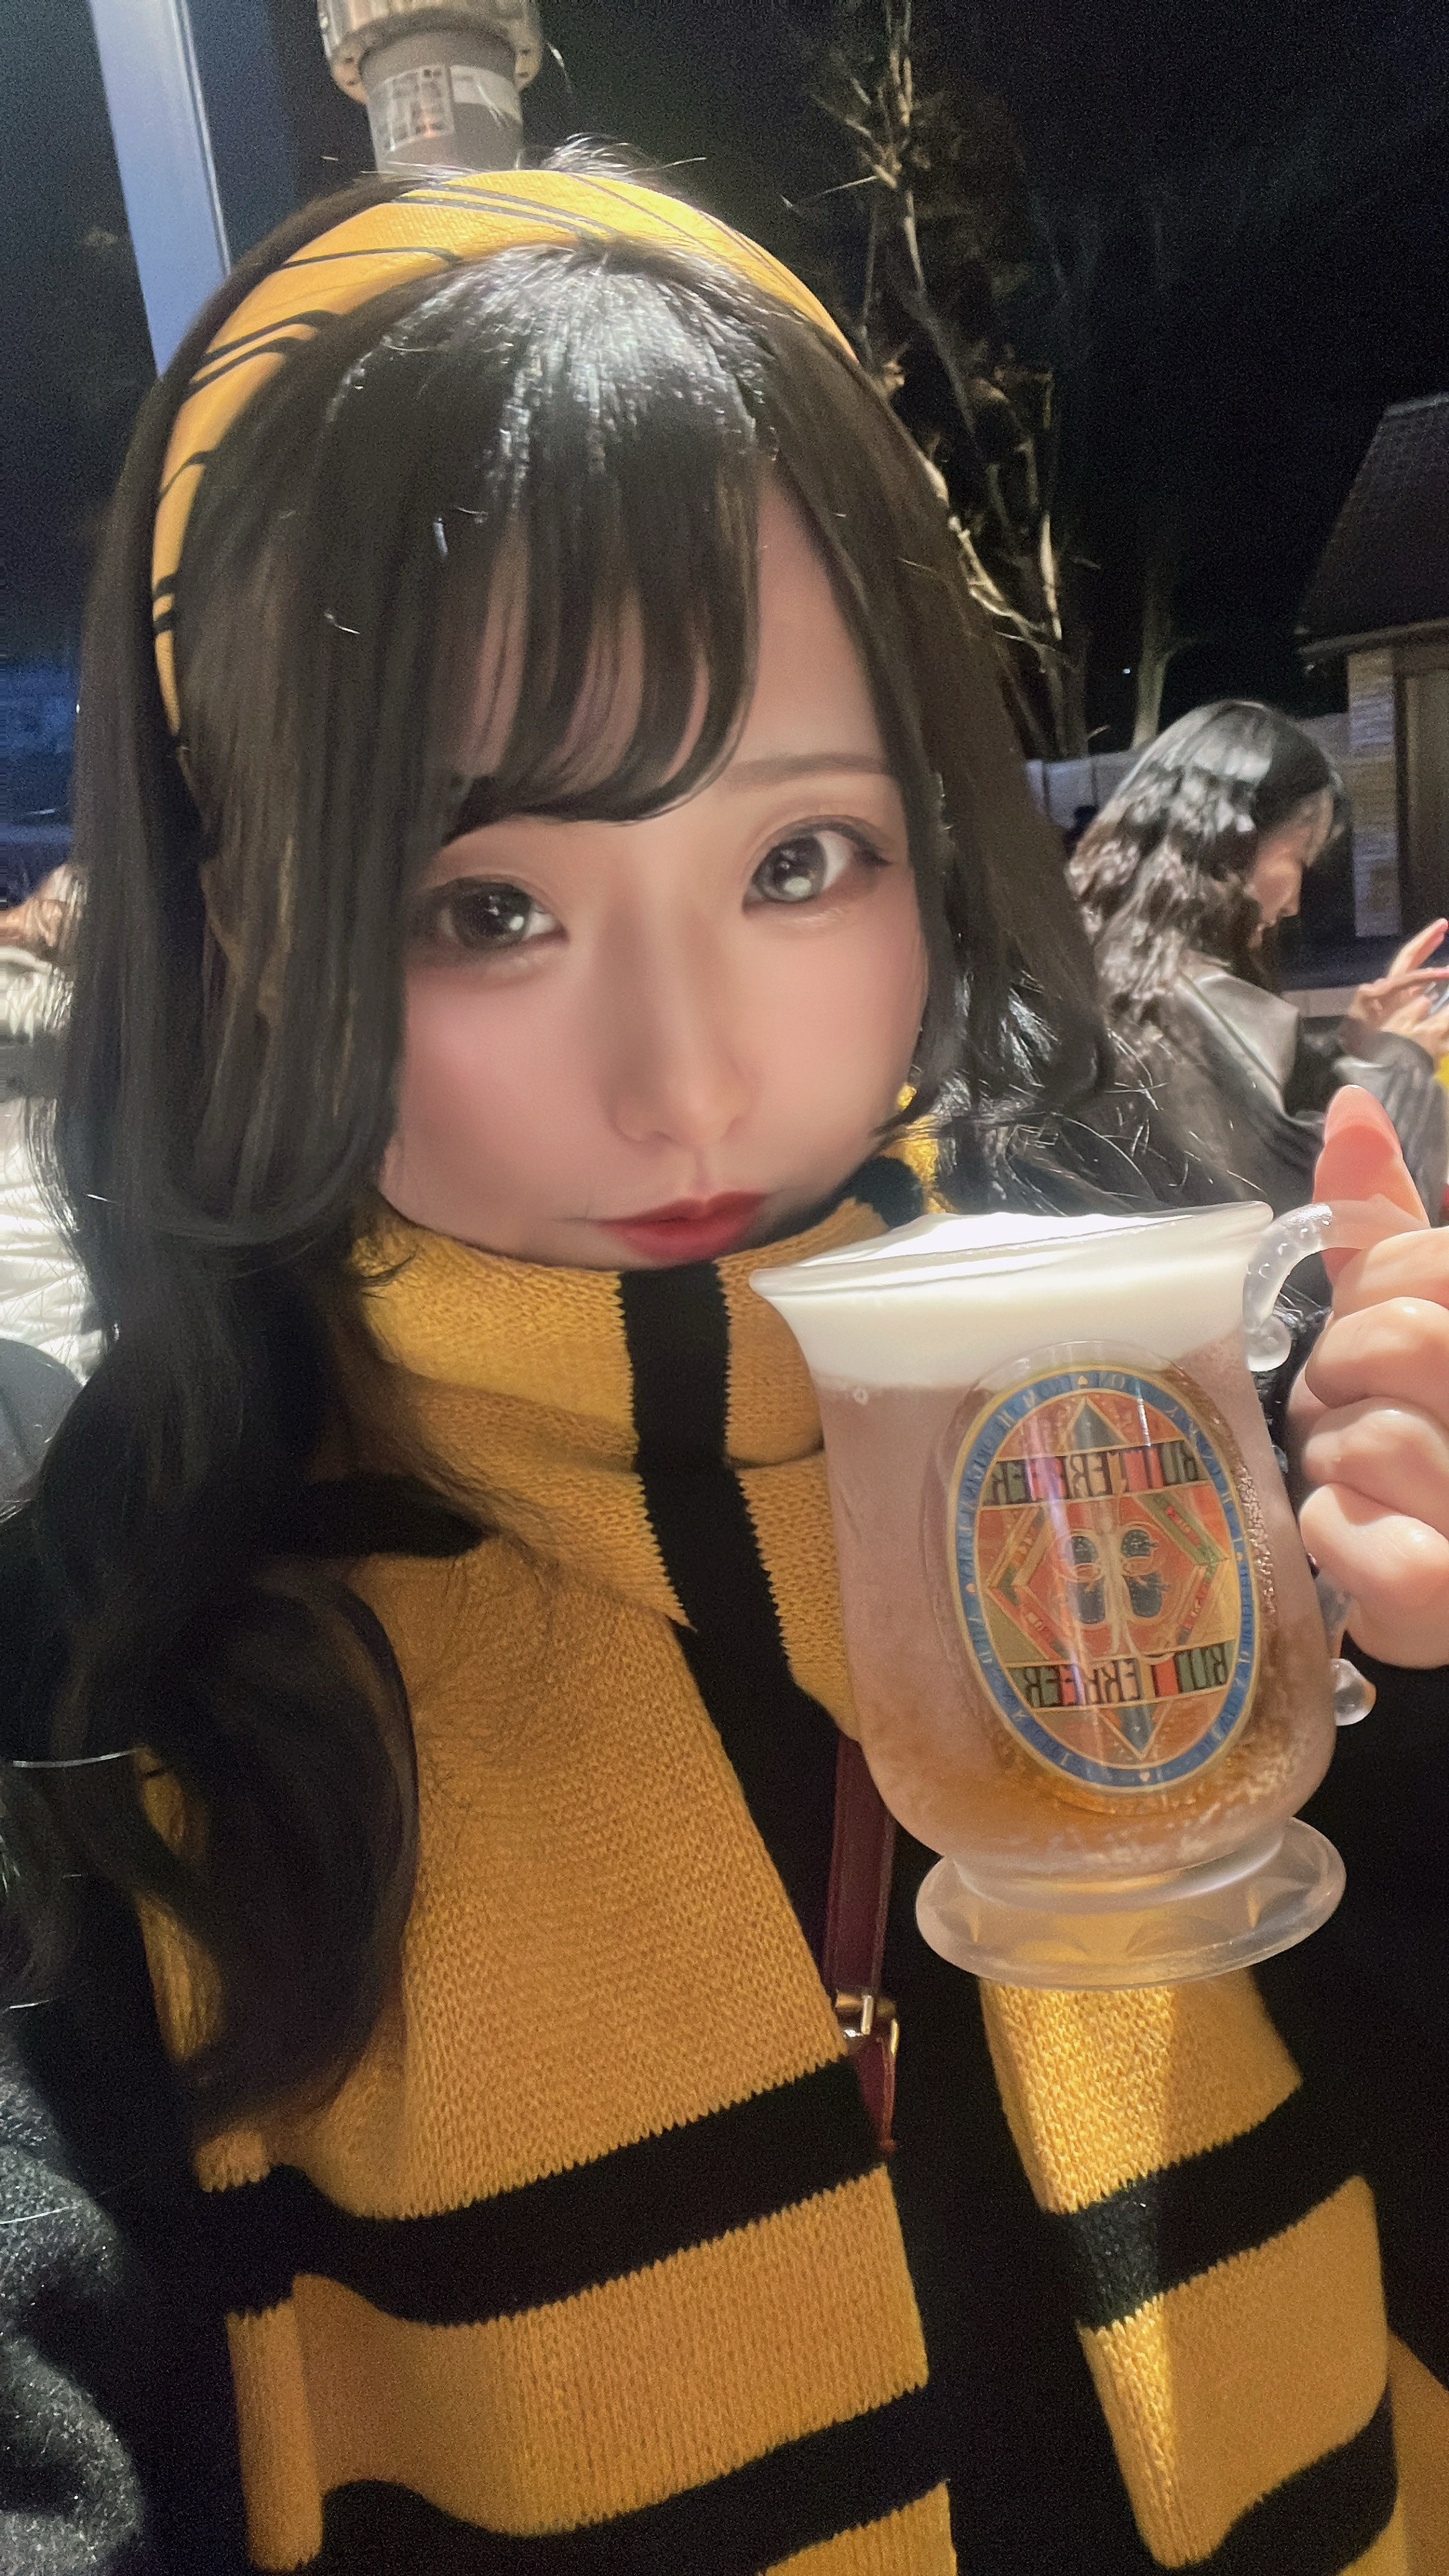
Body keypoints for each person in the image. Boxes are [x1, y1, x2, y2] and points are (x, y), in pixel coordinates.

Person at [2, 164, 1449, 2576]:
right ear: (240, 920)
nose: (685, 1082)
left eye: (800, 862)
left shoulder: (1163, 1433)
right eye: (483, 904)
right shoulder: (113, 1643)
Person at [1069, 700, 1449, 1214]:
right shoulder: (1178, 998)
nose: (1293, 905)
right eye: (1298, 858)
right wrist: (1401, 1060)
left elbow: (1253, 1122)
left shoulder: (1098, 964)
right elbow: (1323, 1214)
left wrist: (1347, 1047)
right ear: (1233, 839)